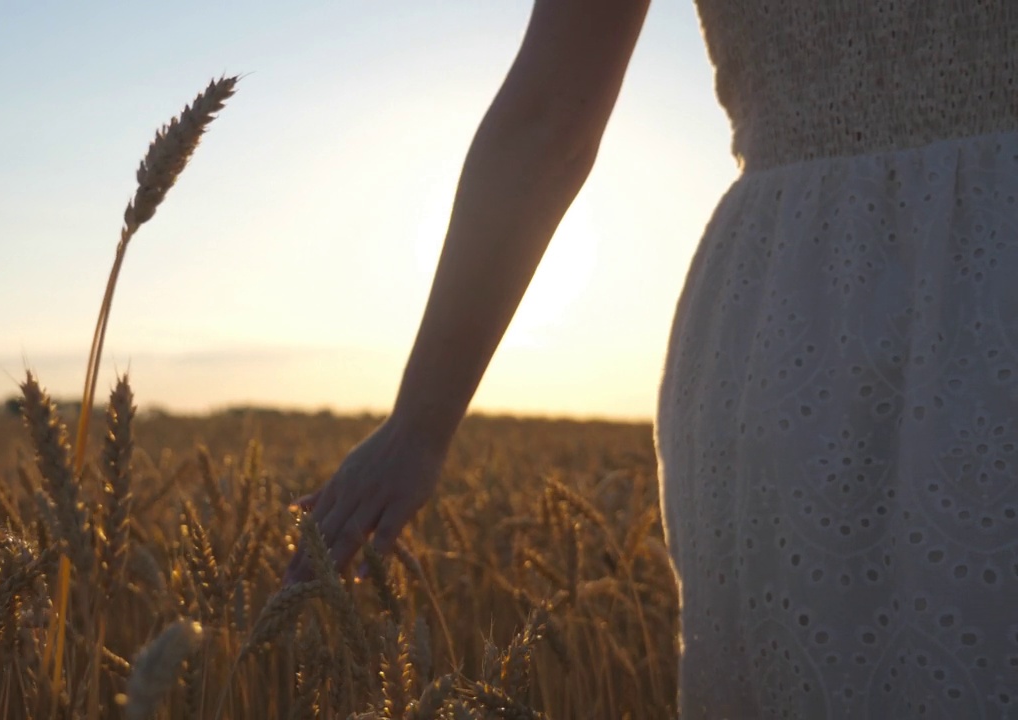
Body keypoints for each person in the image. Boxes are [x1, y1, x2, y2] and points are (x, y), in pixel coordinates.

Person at [284, 0, 1018, 716]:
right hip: (797, 324)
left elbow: (549, 119)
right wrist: (418, 425)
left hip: (792, 305)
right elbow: (549, 118)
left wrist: (420, 425)